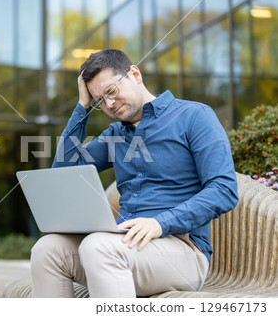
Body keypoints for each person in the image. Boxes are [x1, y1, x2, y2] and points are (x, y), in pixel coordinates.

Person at [30, 49, 238, 298]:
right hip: (123, 245)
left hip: (182, 250)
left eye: (111, 91)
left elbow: (224, 190)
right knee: (47, 249)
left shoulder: (194, 116)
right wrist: (82, 108)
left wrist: (160, 223)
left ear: (135, 74)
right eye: (99, 101)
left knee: (99, 247)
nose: (108, 104)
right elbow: (62, 174)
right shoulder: (115, 136)